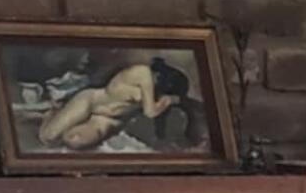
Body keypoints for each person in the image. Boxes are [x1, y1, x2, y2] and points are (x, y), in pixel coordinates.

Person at [36, 56, 193, 152]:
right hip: (90, 102)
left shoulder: (154, 90)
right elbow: (150, 112)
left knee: (74, 140)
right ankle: (51, 113)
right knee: (48, 137)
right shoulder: (143, 72)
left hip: (106, 119)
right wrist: (169, 101)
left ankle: (62, 115)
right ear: (159, 75)